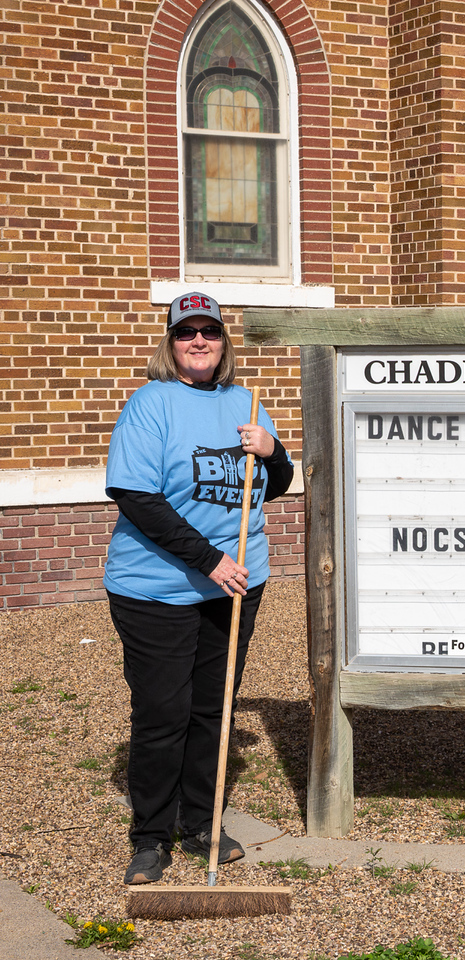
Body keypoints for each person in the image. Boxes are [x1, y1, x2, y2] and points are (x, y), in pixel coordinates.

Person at [104, 292, 294, 885]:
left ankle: (200, 823)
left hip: (237, 584)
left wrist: (275, 451)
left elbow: (272, 485)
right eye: (186, 332)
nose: (198, 341)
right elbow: (135, 496)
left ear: (223, 341)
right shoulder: (150, 404)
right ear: (171, 343)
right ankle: (151, 836)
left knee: (213, 708)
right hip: (156, 586)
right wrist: (211, 559)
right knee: (164, 712)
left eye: (209, 331)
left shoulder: (246, 403)